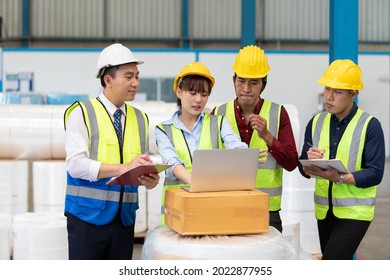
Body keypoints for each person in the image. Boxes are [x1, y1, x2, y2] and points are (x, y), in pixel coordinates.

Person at [64, 43, 160, 260]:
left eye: (137, 76)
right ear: (108, 80)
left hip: (124, 219)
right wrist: (124, 167)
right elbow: (75, 165)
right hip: (87, 217)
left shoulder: (140, 119)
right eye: (128, 77)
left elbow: (135, 167)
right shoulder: (81, 113)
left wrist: (147, 179)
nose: (135, 83)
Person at [298, 59, 385, 260]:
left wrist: (339, 178)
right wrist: (308, 161)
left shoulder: (370, 126)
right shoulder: (316, 122)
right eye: (327, 88)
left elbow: (375, 173)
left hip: (355, 213)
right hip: (324, 211)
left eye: (337, 91)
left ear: (353, 94)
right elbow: (302, 167)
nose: (328, 97)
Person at [155, 62, 256, 224]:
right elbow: (172, 163)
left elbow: (234, 143)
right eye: (193, 93)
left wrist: (245, 156)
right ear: (179, 92)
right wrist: (196, 182)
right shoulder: (164, 130)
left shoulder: (219, 123)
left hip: (211, 206)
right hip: (177, 210)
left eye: (204, 94)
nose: (198, 100)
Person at [212, 45, 299, 232]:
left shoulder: (278, 113)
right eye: (241, 81)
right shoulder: (218, 114)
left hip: (267, 211)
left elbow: (292, 163)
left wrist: (268, 137)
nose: (246, 89)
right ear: (233, 80)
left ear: (263, 84)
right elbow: (207, 165)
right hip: (228, 207)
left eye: (254, 82)